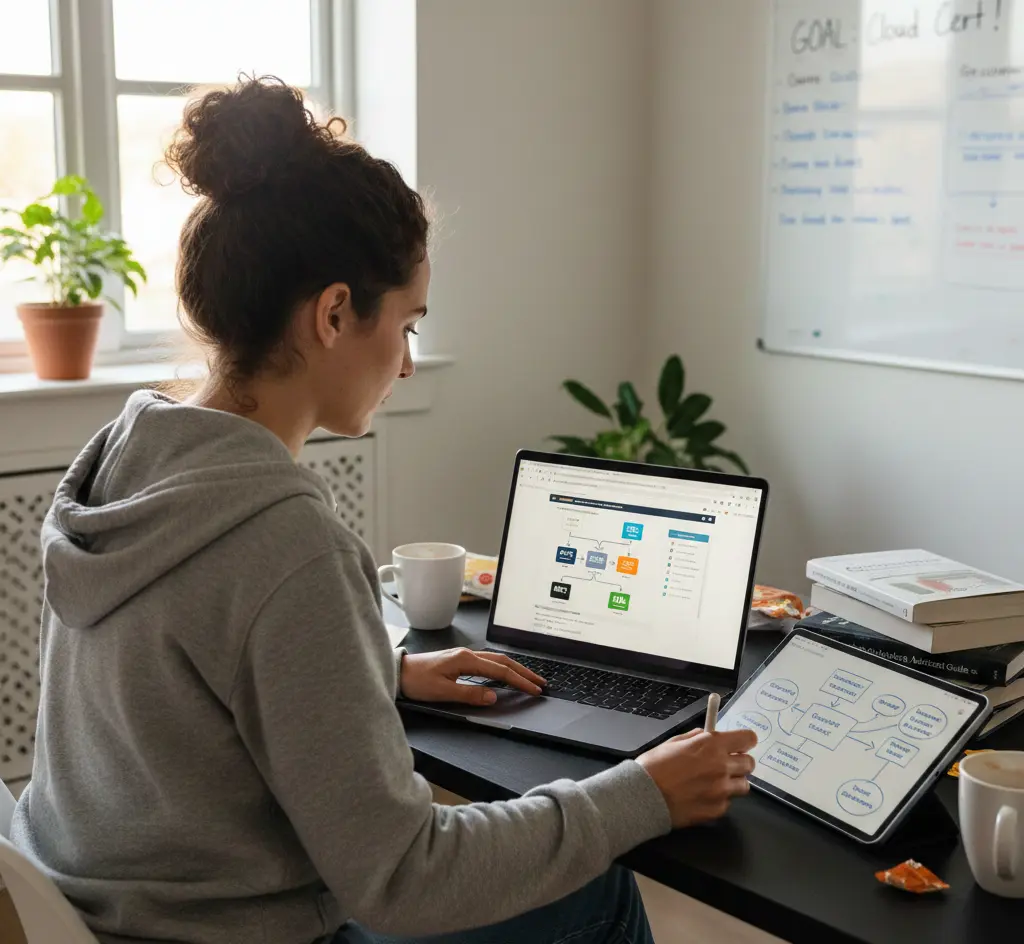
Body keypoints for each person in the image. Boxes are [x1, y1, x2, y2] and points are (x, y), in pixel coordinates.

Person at [12, 76, 757, 944]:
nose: (406, 364)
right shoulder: (283, 541)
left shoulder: (126, 463)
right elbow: (406, 878)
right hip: (237, 932)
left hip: (110, 907)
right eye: (406, 325)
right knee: (602, 893)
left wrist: (373, 672)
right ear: (334, 313)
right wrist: (645, 795)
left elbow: (185, 684)